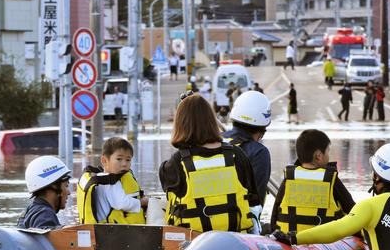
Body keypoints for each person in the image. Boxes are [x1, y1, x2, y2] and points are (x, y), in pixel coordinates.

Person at [159, 93, 260, 232]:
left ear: (180, 124)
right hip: (235, 242)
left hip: (193, 246)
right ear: (212, 121)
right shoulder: (237, 155)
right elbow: (254, 202)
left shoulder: (174, 164)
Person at [271, 129, 355, 233]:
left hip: (290, 240)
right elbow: (353, 211)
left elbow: (275, 212)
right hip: (325, 244)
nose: (329, 156)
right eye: (328, 151)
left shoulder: (290, 177)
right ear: (319, 156)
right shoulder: (330, 179)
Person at [77, 137, 147, 224]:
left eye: (128, 160)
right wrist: (141, 202)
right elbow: (122, 203)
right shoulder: (111, 182)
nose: (124, 164)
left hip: (102, 228)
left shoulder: (100, 178)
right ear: (104, 160)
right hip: (111, 231)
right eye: (119, 159)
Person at [223, 91, 272, 206]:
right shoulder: (259, 152)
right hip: (240, 220)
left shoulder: (214, 141)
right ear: (262, 128)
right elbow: (256, 201)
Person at [18, 156, 71, 230]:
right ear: (54, 187)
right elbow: (45, 233)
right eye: (66, 186)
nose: (69, 192)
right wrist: (74, 230)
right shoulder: (44, 212)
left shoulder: (31, 210)